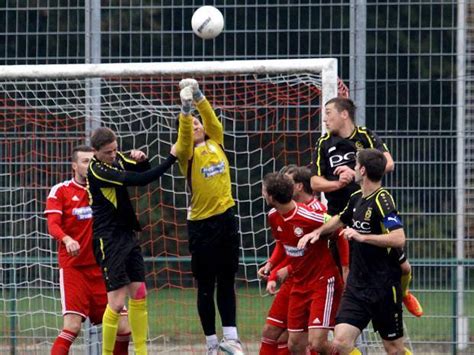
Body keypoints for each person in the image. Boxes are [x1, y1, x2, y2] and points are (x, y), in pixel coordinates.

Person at [311, 97, 422, 317]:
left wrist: (357, 173)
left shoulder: (366, 137)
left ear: (344, 114)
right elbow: (315, 182)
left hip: (370, 211)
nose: (324, 119)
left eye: (329, 112)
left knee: (404, 266)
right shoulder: (324, 144)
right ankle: (346, 318)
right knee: (347, 272)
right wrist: (337, 183)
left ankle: (404, 292)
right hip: (339, 217)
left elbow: (388, 163)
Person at [299, 148, 407, 354]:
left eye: (355, 165)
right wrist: (317, 232)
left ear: (363, 170)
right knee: (340, 342)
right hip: (358, 287)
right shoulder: (356, 197)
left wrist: (362, 236)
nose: (353, 168)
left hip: (383, 286)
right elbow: (340, 218)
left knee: (394, 350)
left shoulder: (383, 200)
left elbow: (399, 238)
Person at [87, 127, 177, 355]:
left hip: (128, 235)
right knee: (117, 304)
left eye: (115, 149)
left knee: (139, 293)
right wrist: (171, 158)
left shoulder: (117, 157)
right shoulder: (98, 170)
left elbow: (142, 169)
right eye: (108, 152)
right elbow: (140, 179)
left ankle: (141, 351)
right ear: (95, 152)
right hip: (108, 239)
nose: (113, 155)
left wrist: (143, 158)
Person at [173, 79, 243, 355]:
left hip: (226, 218)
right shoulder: (185, 154)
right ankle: (212, 344)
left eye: (198, 122)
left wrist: (200, 97)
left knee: (227, 280)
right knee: (206, 285)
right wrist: (185, 110)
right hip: (201, 226)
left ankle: (231, 338)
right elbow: (183, 136)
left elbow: (212, 120)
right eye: (192, 124)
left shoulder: (216, 141)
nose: (197, 125)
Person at [45, 145, 131, 355]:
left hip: (103, 269)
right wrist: (66, 239)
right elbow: (53, 224)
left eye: (92, 160)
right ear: (74, 166)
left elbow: (131, 176)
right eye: (84, 161)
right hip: (75, 269)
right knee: (72, 326)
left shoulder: (104, 188)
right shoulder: (61, 190)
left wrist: (137, 159)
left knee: (124, 328)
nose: (89, 165)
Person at [261, 172, 343, 355]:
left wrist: (345, 268)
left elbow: (339, 226)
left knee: (318, 344)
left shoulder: (308, 215)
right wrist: (271, 267)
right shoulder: (273, 216)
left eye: (264, 191)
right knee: (295, 345)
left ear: (272, 197)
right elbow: (283, 244)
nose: (263, 194)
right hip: (299, 283)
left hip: (322, 281)